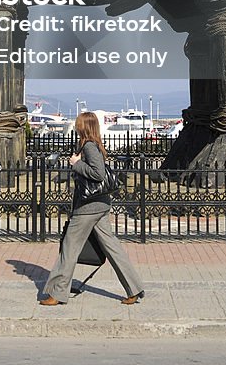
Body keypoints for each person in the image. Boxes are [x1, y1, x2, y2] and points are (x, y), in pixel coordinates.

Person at [40, 111, 144, 306]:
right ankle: (134, 288)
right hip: (101, 205)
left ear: (84, 126)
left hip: (88, 208)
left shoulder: (88, 146)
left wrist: (76, 164)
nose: (76, 125)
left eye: (78, 123)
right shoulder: (94, 144)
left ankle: (57, 293)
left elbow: (98, 174)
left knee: (69, 248)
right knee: (112, 248)